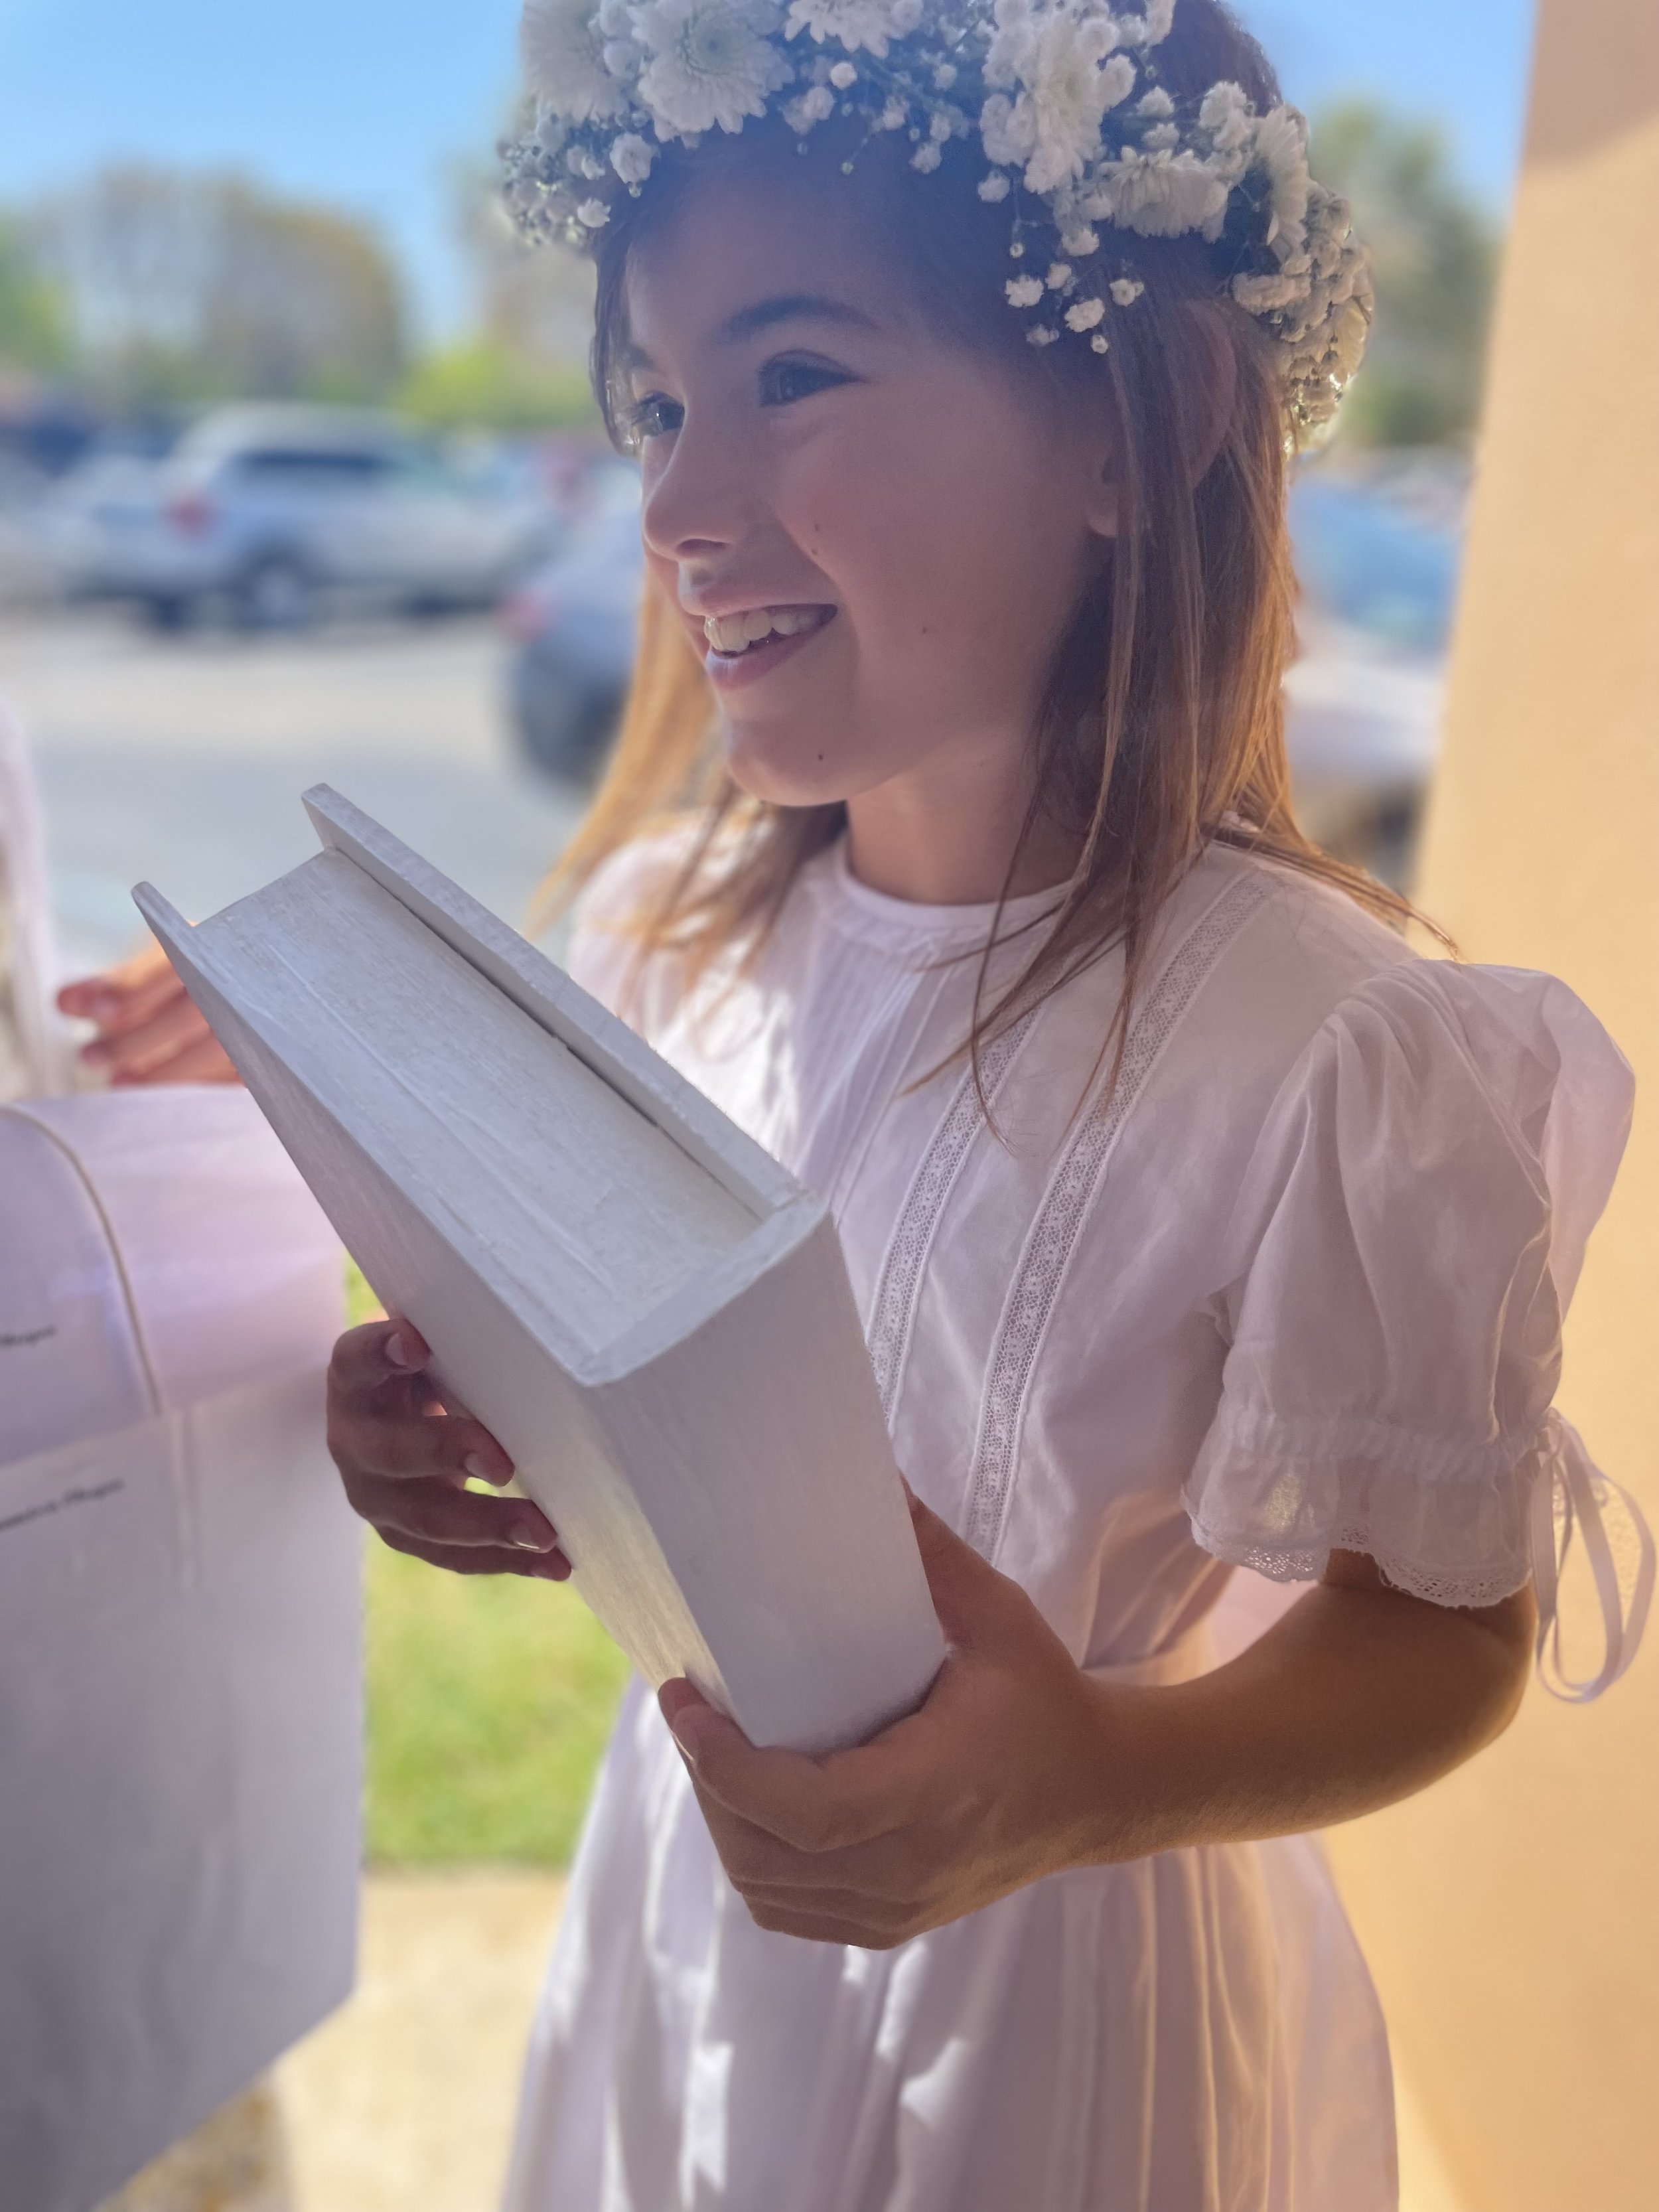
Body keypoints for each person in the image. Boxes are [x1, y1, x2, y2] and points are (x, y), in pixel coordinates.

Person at [326, 1, 1650, 2205]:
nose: (673, 499)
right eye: (656, 398)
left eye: (795, 374)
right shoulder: (665, 941)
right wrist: (447, 1412)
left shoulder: (1336, 1053)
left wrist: (1085, 1780)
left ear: (1143, 427)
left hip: (1060, 2008)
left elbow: (1438, 1630)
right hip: (689, 1901)